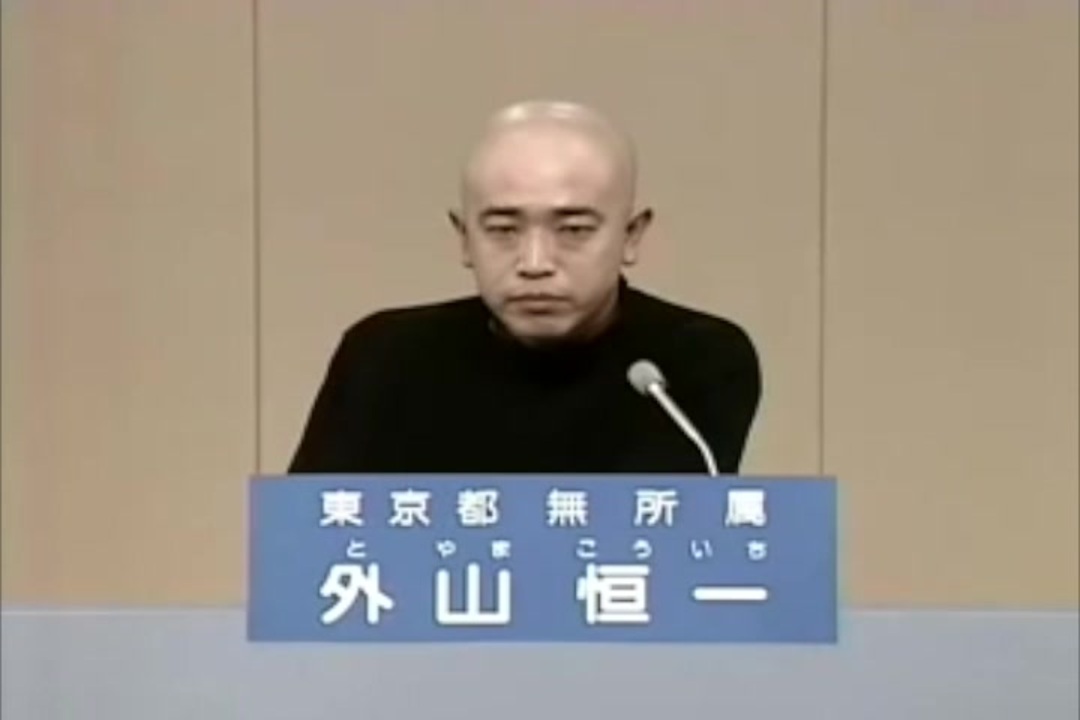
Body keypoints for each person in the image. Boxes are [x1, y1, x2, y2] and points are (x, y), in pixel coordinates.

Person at [288, 100, 761, 474]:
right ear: (464, 238)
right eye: (502, 230)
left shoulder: (691, 359)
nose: (535, 264)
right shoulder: (384, 357)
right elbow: (308, 539)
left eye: (573, 230)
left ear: (631, 236)